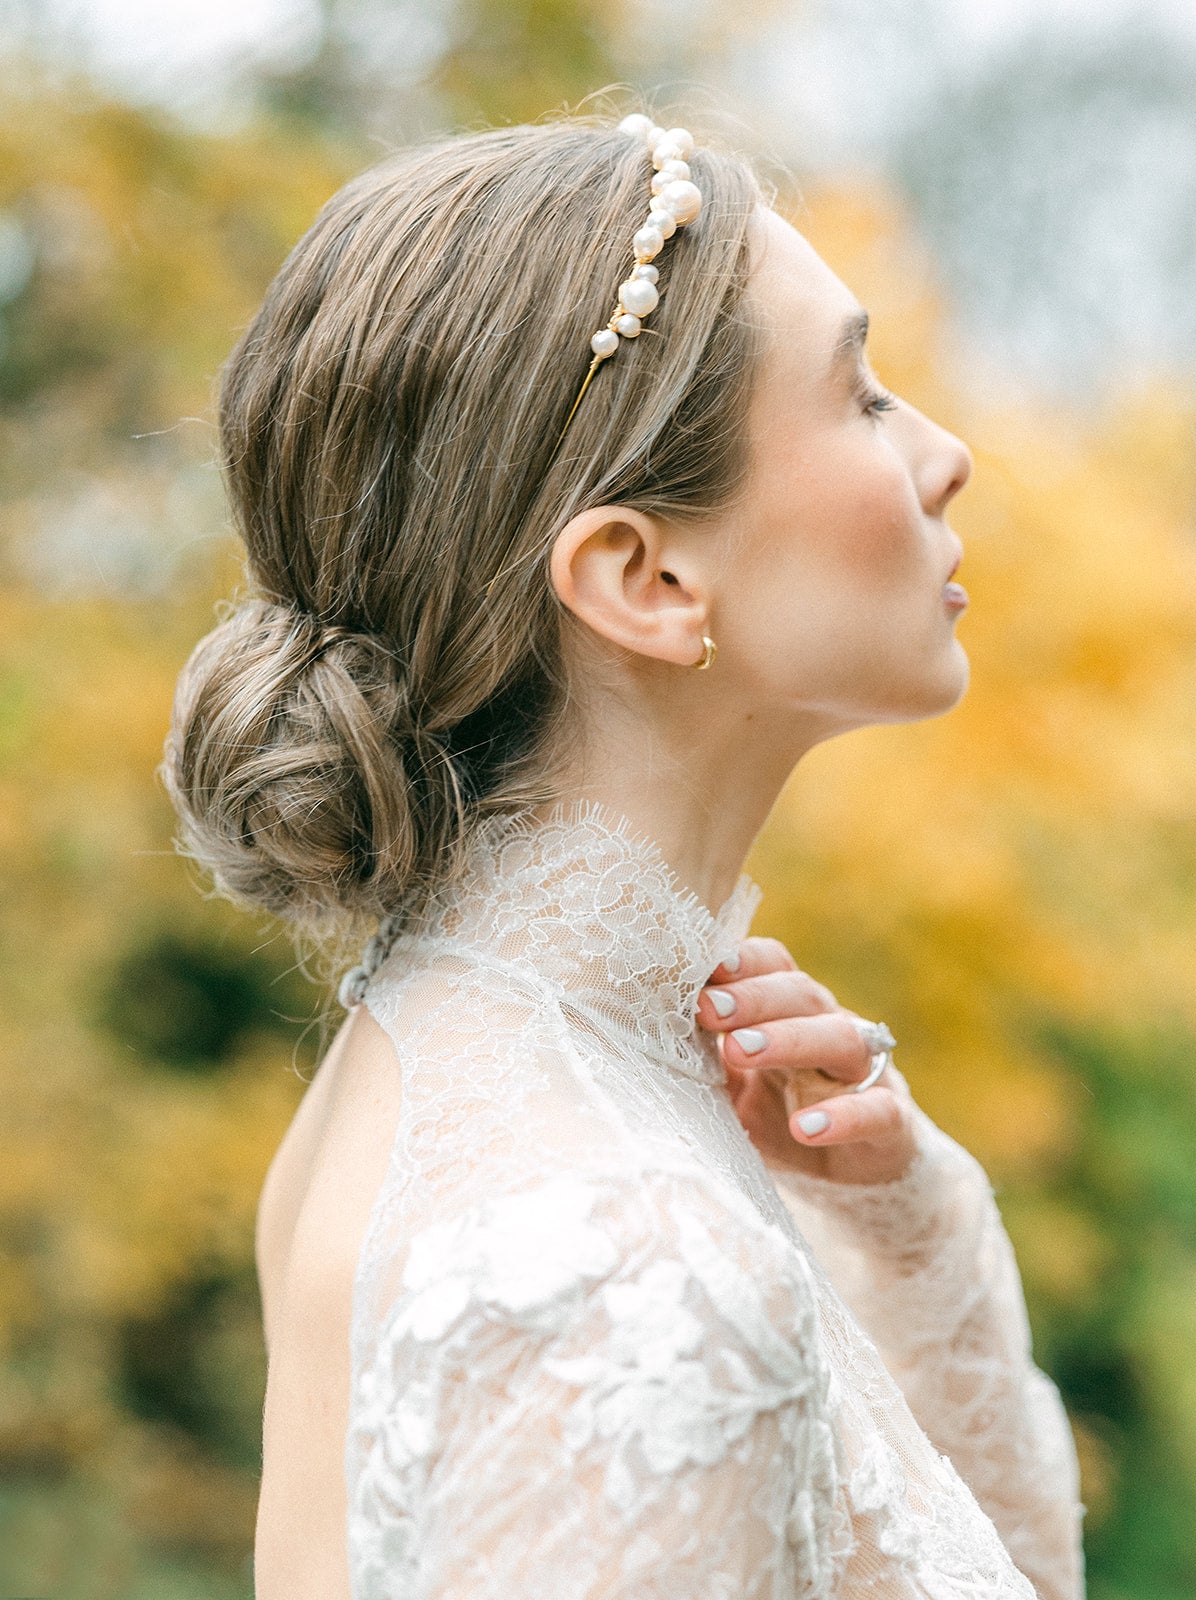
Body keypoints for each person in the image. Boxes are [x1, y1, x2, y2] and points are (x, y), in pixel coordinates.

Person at [162, 102, 1087, 1599]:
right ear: (644, 576)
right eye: (860, 397)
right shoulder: (624, 1263)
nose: (948, 453)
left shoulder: (439, 1064)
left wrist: (915, 1240)